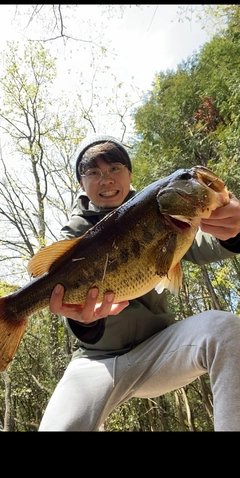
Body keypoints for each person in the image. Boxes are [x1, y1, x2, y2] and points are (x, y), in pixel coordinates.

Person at [39, 134, 240, 432]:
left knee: (225, 329)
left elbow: (211, 243)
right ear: (82, 185)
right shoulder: (74, 233)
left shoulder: (165, 215)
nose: (105, 179)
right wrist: (86, 323)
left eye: (114, 168)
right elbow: (67, 298)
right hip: (96, 362)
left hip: (160, 351)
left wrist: (234, 229)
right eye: (93, 172)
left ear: (130, 175)